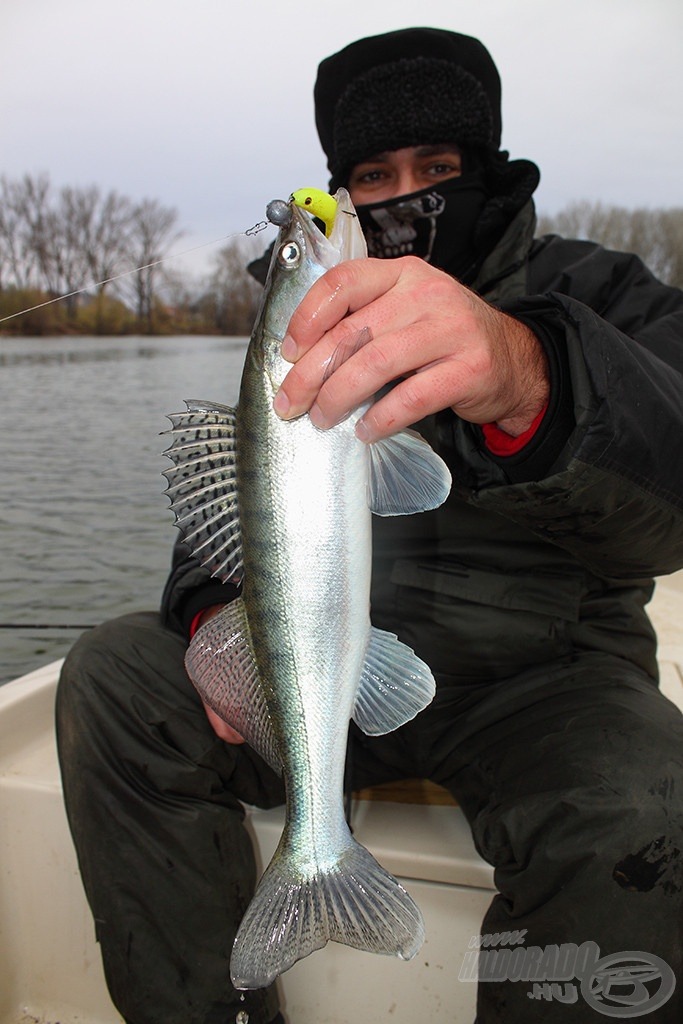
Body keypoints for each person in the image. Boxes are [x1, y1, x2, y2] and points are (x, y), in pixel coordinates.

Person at [56, 27, 683, 1024]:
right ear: (336, 193)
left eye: (436, 167)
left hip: (545, 683)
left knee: (646, 797)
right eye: (371, 173)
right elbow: (236, 517)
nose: (406, 194)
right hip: (318, 679)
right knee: (114, 679)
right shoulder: (295, 336)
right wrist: (218, 620)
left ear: (487, 168)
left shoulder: (600, 292)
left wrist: (530, 373)